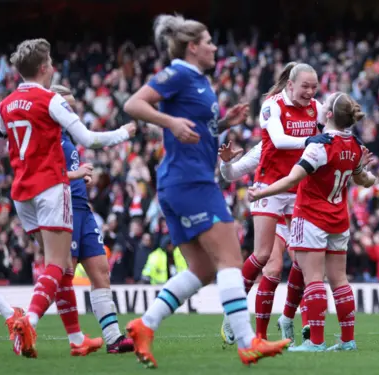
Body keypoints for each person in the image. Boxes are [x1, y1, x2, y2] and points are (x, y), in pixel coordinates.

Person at [122, 14, 291, 367]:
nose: (215, 47)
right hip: (191, 181)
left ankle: (145, 325)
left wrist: (222, 123)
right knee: (230, 259)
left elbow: (197, 129)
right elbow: (134, 104)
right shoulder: (181, 73)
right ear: (193, 45)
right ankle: (247, 343)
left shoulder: (198, 80)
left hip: (184, 181)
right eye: (210, 41)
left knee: (202, 268)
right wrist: (169, 122)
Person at [0, 38, 135, 358]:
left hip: (23, 193)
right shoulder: (49, 101)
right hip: (52, 191)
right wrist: (125, 132)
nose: (54, 67)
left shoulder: (5, 104)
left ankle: (80, 339)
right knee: (59, 265)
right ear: (44, 68)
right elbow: (91, 138)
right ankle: (27, 321)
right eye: (52, 62)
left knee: (66, 267)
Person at [248, 92, 376, 352]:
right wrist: (367, 173)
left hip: (311, 218)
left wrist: (262, 192)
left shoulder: (320, 146)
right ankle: (347, 340)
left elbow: (292, 180)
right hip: (339, 219)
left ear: (328, 114)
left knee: (314, 278)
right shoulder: (354, 144)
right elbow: (365, 180)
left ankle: (315, 341)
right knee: (340, 279)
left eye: (325, 104)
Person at [225, 62, 331, 343]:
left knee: (304, 261)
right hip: (269, 188)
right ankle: (233, 313)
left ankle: (298, 323)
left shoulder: (316, 108)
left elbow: (331, 127)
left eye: (314, 87)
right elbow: (281, 141)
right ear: (290, 85)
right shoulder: (272, 107)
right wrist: (313, 138)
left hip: (298, 191)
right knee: (262, 256)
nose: (310, 92)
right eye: (305, 86)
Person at [49, 84, 135, 354]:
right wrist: (122, 134)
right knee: (65, 273)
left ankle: (113, 339)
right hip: (65, 209)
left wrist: (78, 176)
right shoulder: (48, 136)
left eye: (73, 106)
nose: (71, 111)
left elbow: (64, 169)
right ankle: (30, 322)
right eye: (66, 106)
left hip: (83, 210)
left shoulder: (66, 136)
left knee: (101, 271)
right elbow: (46, 174)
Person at [218, 141, 309, 343]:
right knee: (273, 268)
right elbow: (231, 173)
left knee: (304, 265)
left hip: (298, 207)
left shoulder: (309, 137)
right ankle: (244, 321)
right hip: (273, 211)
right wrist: (226, 163)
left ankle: (288, 319)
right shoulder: (269, 143)